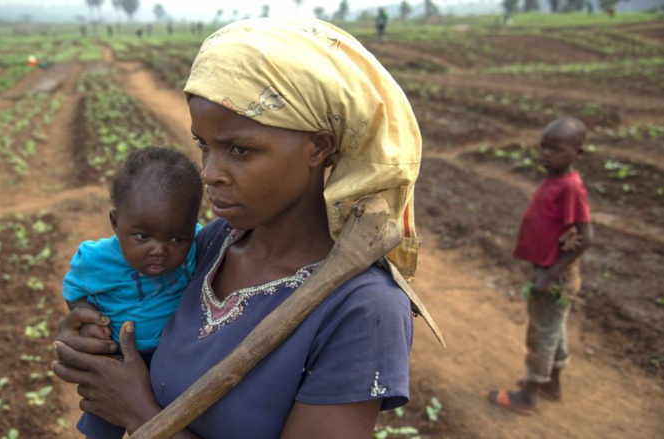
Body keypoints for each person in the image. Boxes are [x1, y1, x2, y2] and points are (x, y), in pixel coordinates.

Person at [53, 17, 434, 438]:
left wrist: (138, 411)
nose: (210, 173)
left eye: (239, 149)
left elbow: (137, 405)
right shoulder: (215, 243)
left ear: (318, 146)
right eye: (203, 144)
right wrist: (91, 327)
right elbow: (140, 308)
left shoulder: (362, 309)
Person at [62, 147, 203, 438]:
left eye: (177, 238)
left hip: (173, 355)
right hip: (118, 359)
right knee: (102, 423)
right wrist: (87, 317)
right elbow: (73, 290)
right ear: (115, 223)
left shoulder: (201, 242)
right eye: (142, 236)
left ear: (192, 229)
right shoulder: (95, 260)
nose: (159, 251)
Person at [488, 117, 594, 415]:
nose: (546, 154)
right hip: (549, 270)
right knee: (553, 329)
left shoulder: (570, 186)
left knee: (541, 334)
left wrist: (549, 274)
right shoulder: (555, 178)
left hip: (554, 275)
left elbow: (586, 237)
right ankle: (552, 384)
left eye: (556, 149)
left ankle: (529, 394)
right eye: (544, 147)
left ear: (578, 153)